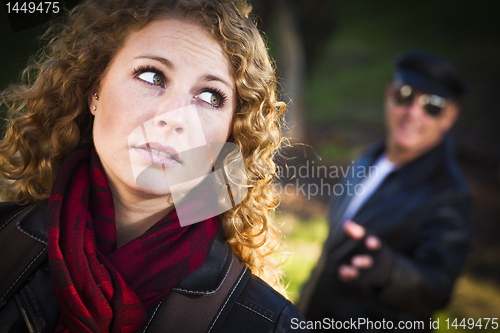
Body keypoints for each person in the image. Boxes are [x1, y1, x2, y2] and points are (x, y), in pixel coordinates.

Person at [0, 0, 308, 332]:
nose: (174, 117)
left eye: (209, 97)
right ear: (94, 90)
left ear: (231, 136)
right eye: (152, 75)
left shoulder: (270, 323)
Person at [298, 51, 473, 331]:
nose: (413, 112)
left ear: (449, 116)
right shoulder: (368, 157)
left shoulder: (450, 195)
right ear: (389, 95)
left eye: (433, 105)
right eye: (405, 95)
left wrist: (390, 272)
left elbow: (439, 287)